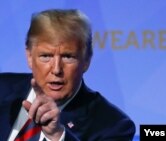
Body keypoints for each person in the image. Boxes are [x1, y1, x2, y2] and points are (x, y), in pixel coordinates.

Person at [0, 9, 135, 141]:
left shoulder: (114, 125)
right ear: (29, 56)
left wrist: (58, 135)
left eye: (68, 57)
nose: (56, 69)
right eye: (46, 56)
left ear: (87, 60)